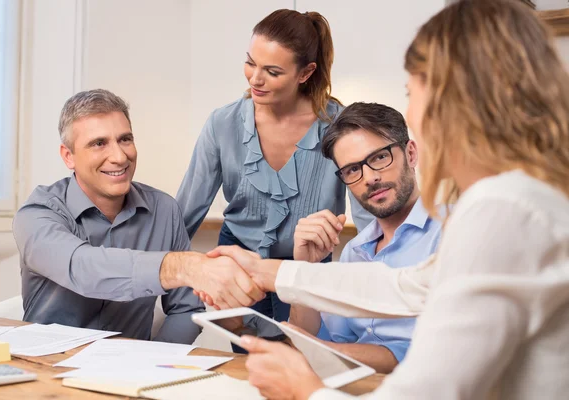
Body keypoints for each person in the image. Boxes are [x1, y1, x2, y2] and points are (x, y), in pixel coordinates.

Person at [203, 0, 569, 398]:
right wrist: (266, 270)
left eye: (413, 91)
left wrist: (304, 390)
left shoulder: (504, 210)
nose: (411, 109)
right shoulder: (526, 199)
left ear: (458, 100)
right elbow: (405, 286)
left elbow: (430, 390)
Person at [13, 89, 264, 343]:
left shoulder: (165, 211)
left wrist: (156, 363)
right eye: (99, 143)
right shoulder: (37, 215)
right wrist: (183, 266)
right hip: (47, 371)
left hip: (130, 377)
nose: (120, 157)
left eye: (125, 139)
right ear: (69, 156)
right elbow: (82, 267)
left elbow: (185, 308)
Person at [177, 9, 370, 329]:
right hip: (236, 265)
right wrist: (162, 272)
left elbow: (369, 222)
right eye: (250, 63)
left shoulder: (341, 126)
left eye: (272, 71)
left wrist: (385, 282)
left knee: (302, 361)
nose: (255, 78)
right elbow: (184, 212)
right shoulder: (222, 123)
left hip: (306, 269)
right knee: (246, 366)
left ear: (305, 73)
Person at [288, 102, 441, 373]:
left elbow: (441, 355)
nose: (369, 178)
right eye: (352, 170)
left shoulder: (452, 232)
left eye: (380, 157)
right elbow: (316, 343)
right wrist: (305, 270)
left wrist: (332, 352)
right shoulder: (354, 252)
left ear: (411, 153)